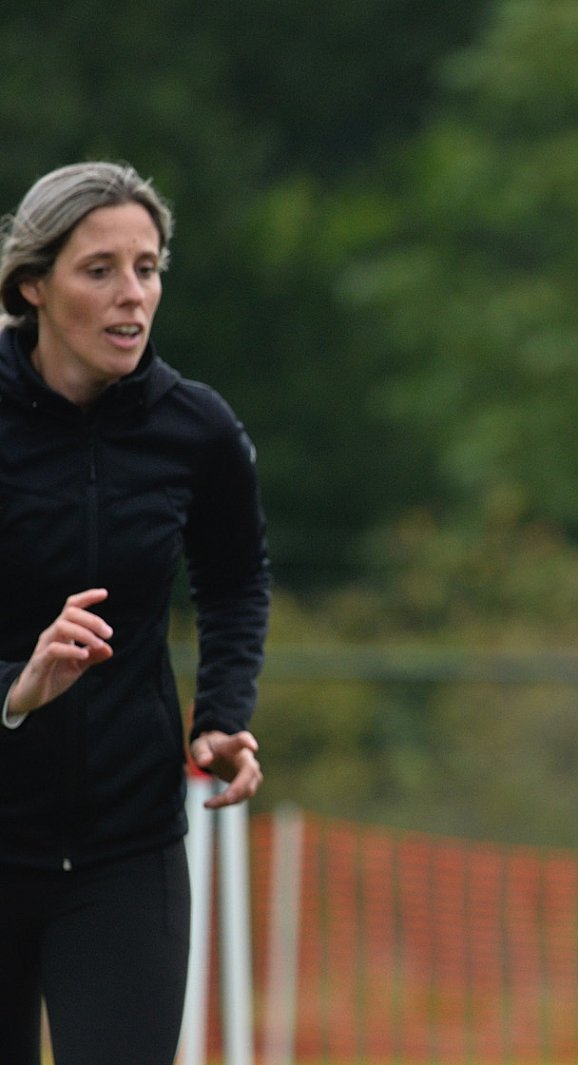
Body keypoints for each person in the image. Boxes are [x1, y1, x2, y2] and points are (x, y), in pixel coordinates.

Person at [0, 162, 271, 1064]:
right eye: (100, 269)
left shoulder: (197, 430)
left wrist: (221, 715)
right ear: (33, 284)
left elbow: (235, 582)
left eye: (147, 268)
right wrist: (18, 687)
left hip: (127, 849)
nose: (133, 294)